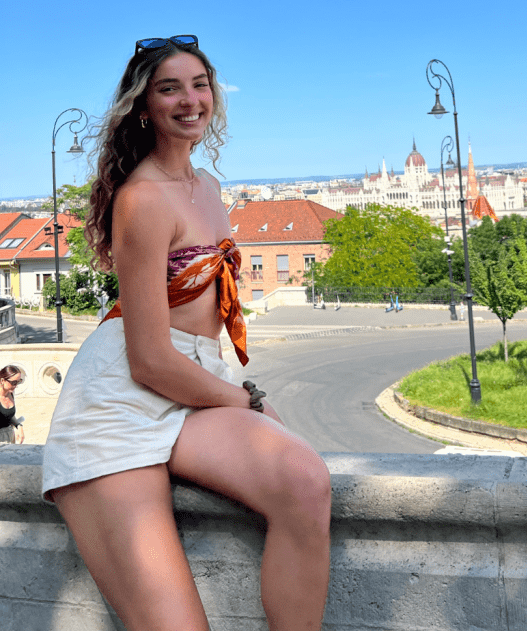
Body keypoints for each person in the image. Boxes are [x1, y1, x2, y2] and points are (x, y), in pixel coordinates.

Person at [42, 35, 331, 631]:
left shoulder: (210, 190)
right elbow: (148, 359)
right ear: (143, 106)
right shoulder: (142, 200)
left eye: (199, 85)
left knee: (305, 479)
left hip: (193, 382)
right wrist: (251, 400)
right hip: (121, 399)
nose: (189, 99)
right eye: (169, 88)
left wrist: (235, 395)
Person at [0, 365, 25, 445]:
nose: (15, 386)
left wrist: (18, 425)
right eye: (13, 382)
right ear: (2, 380)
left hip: (10, 436)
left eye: (18, 381)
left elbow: (8, 415)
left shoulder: (10, 393)